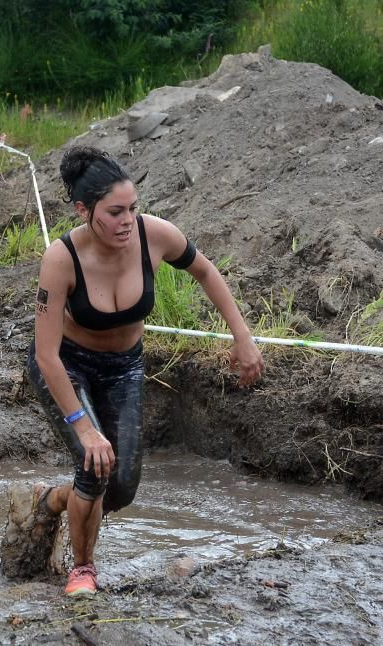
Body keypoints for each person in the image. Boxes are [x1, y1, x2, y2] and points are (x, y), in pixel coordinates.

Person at [25, 145, 264, 597]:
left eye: (132, 208)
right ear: (83, 210)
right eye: (114, 212)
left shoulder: (155, 236)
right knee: (93, 465)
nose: (126, 221)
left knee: (122, 488)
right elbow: (46, 356)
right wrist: (83, 427)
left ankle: (51, 500)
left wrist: (243, 336)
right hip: (67, 365)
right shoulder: (61, 259)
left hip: (123, 368)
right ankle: (83, 569)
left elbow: (206, 272)